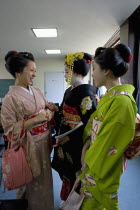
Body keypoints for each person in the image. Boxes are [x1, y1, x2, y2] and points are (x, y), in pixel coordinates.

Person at [78, 44, 137, 210]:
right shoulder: (109, 97)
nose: (93, 74)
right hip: (94, 156)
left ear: (106, 71)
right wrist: (87, 146)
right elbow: (94, 129)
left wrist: (88, 158)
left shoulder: (122, 102)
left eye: (94, 68)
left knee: (98, 204)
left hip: (103, 165)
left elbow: (109, 143)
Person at [1, 51, 58, 210]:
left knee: (45, 180)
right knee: (29, 181)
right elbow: (9, 131)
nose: (34, 74)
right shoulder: (10, 99)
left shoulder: (38, 91)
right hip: (28, 146)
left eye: (35, 70)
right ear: (18, 72)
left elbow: (47, 107)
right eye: (31, 70)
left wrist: (51, 110)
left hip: (44, 142)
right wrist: (35, 120)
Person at [51, 52, 97, 201]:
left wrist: (69, 136)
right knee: (65, 172)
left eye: (66, 72)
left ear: (76, 72)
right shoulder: (69, 90)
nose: (65, 75)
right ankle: (68, 200)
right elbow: (65, 113)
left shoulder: (87, 94)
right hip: (64, 137)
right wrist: (57, 110)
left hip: (76, 142)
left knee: (75, 173)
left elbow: (89, 124)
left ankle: (75, 202)